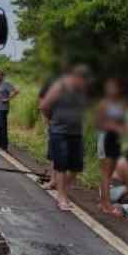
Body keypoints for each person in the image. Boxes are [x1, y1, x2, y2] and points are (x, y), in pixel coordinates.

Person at [40, 65, 88, 211]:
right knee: (61, 166)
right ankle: (62, 197)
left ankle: (63, 191)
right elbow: (44, 106)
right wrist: (52, 120)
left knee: (76, 166)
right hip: (59, 131)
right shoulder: (59, 87)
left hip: (76, 132)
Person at [95, 78, 125, 215]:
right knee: (105, 172)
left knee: (110, 172)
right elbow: (99, 123)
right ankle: (106, 203)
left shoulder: (121, 104)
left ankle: (103, 202)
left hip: (116, 140)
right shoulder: (104, 104)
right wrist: (115, 126)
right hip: (105, 138)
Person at [0, 70, 19, 151]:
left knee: (3, 126)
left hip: (3, 108)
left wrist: (8, 99)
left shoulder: (6, 84)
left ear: (2, 76)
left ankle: (4, 145)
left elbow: (16, 91)